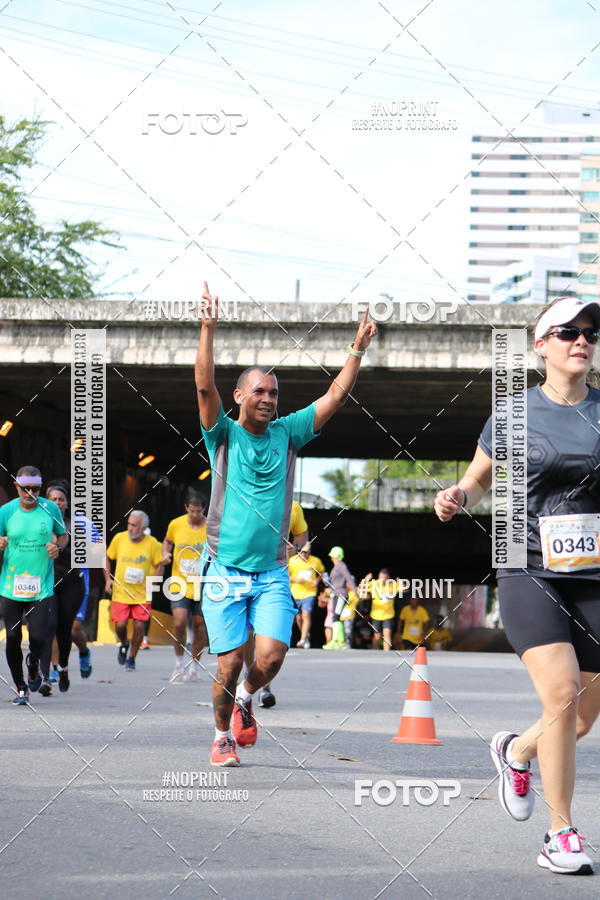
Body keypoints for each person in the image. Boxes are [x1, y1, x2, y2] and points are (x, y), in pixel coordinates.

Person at [434, 296, 600, 875]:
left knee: (580, 717)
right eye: (567, 332)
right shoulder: (512, 413)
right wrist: (457, 497)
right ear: (540, 345)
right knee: (560, 696)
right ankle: (562, 834)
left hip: (593, 575)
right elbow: (477, 481)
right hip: (526, 564)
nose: (581, 340)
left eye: (590, 332)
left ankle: (516, 751)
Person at [196, 281, 376, 766]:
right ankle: (220, 737)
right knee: (230, 661)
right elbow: (202, 386)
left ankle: (245, 699)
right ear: (239, 396)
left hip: (272, 571)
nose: (269, 399)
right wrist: (208, 328)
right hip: (223, 569)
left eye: (274, 393)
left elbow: (334, 397)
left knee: (271, 658)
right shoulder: (222, 434)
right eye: (260, 391)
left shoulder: (289, 432)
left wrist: (355, 351)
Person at [0, 466, 67, 705]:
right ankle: (20, 687)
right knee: (13, 634)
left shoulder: (50, 509)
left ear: (40, 487)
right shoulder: (6, 512)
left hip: (41, 585)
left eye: (35, 488)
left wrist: (57, 547)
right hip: (11, 585)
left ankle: (33, 664)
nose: (30, 493)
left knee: (39, 636)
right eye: (24, 488)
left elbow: (63, 534)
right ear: (16, 486)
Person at [245, 498, 310, 708]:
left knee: (270, 640)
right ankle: (250, 680)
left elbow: (302, 535)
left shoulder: (293, 507)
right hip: (243, 574)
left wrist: (295, 548)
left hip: (274, 578)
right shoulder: (247, 498)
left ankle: (264, 687)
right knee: (248, 634)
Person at [39, 480, 93, 695]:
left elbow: (97, 552)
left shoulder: (80, 524)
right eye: (53, 499)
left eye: (61, 499)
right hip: (47, 581)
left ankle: (74, 658)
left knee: (70, 629)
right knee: (47, 627)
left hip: (74, 581)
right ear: (46, 501)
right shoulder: (38, 522)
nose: (58, 503)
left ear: (68, 503)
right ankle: (50, 672)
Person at [105, 510, 166, 672]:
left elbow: (161, 564)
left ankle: (131, 658)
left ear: (144, 527)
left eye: (134, 525)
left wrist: (153, 582)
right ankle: (124, 643)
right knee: (120, 625)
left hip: (142, 593)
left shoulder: (153, 544)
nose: (130, 528)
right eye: (129, 524)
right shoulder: (119, 539)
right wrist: (108, 579)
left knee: (139, 626)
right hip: (121, 592)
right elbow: (107, 557)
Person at [162, 488, 207, 682]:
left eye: (198, 511)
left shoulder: (212, 526)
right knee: (179, 623)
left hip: (203, 584)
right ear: (186, 508)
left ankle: (194, 666)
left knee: (199, 626)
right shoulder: (176, 524)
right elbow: (167, 541)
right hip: (179, 582)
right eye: (192, 511)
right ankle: (178, 663)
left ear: (204, 509)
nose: (195, 515)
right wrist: (165, 553)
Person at [288, 541, 325, 648]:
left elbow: (322, 572)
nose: (304, 554)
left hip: (310, 592)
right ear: (299, 552)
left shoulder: (315, 561)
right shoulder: (292, 561)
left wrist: (317, 581)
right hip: (295, 592)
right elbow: (285, 574)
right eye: (302, 552)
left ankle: (303, 640)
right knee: (298, 618)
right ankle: (305, 634)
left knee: (306, 614)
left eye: (306, 552)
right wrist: (295, 579)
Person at [323, 547, 356, 650]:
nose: (331, 558)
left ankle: (338, 642)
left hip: (341, 594)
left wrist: (355, 591)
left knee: (336, 616)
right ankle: (338, 641)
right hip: (336, 594)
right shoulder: (337, 566)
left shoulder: (341, 565)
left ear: (336, 556)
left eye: (333, 556)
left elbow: (348, 577)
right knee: (335, 617)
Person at [360, 568, 397, 651]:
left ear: (388, 578)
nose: (382, 580)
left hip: (388, 615)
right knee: (377, 636)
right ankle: (375, 650)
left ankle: (386, 653)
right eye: (380, 577)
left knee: (387, 634)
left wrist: (402, 583)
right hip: (376, 615)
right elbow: (361, 589)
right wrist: (365, 580)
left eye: (384, 578)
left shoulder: (393, 585)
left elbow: (405, 589)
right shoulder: (374, 584)